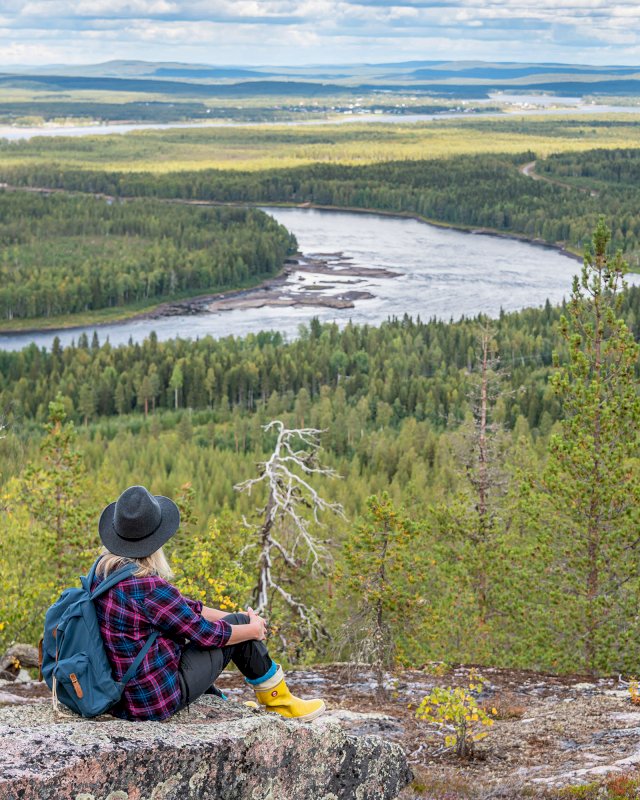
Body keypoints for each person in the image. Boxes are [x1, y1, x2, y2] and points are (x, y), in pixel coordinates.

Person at [91, 484, 326, 723]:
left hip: (122, 695)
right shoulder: (150, 588)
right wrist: (250, 629)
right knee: (237, 630)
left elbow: (182, 607)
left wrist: (230, 615)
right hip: (153, 702)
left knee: (234, 624)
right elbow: (205, 635)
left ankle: (221, 703)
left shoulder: (104, 574)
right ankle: (281, 702)